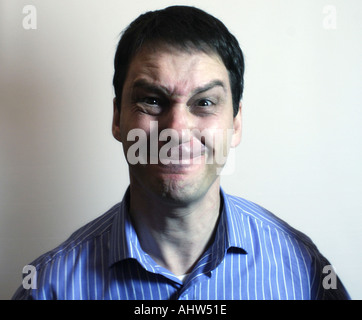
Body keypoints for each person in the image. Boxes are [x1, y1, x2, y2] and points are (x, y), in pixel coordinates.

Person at [12, 5, 350, 300]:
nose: (176, 130)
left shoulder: (305, 272)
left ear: (236, 123)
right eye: (153, 100)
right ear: (117, 118)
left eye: (204, 103)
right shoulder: (49, 287)